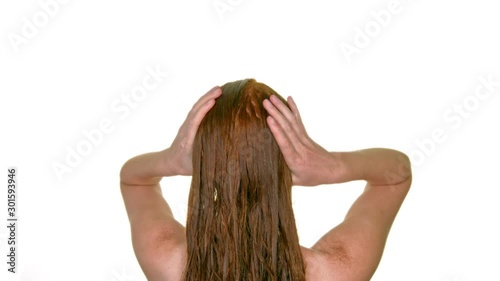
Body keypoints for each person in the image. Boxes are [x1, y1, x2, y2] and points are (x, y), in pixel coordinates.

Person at [120, 79, 412, 281]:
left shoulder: (168, 263)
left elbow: (134, 180)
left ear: (204, 167)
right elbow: (396, 175)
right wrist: (334, 166)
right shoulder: (334, 270)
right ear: (286, 162)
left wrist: (173, 160)